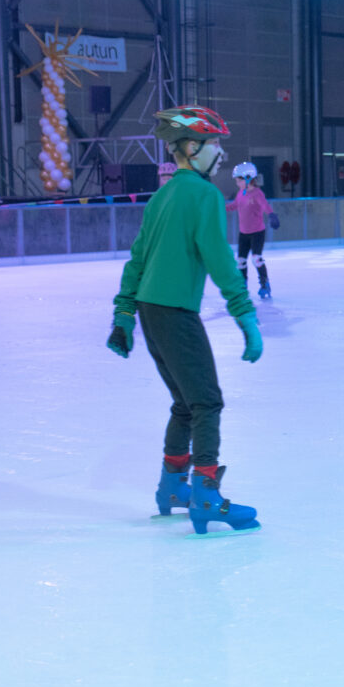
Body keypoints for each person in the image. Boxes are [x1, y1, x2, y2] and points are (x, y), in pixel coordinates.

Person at [106, 105, 263, 537]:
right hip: (175, 312)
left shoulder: (162, 196)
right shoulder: (203, 195)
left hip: (151, 312)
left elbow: (137, 258)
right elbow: (219, 259)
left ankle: (172, 488)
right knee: (206, 402)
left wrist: (124, 315)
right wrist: (245, 315)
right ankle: (206, 496)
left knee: (184, 403)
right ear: (192, 148)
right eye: (215, 144)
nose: (220, 154)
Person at [225, 161, 278, 298]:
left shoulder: (257, 194)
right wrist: (221, 207)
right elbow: (235, 205)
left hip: (257, 233)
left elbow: (265, 205)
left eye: (238, 180)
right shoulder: (241, 193)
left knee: (256, 259)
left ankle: (265, 284)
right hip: (244, 233)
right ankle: (243, 286)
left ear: (248, 178)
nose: (237, 183)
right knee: (241, 261)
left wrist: (271, 215)